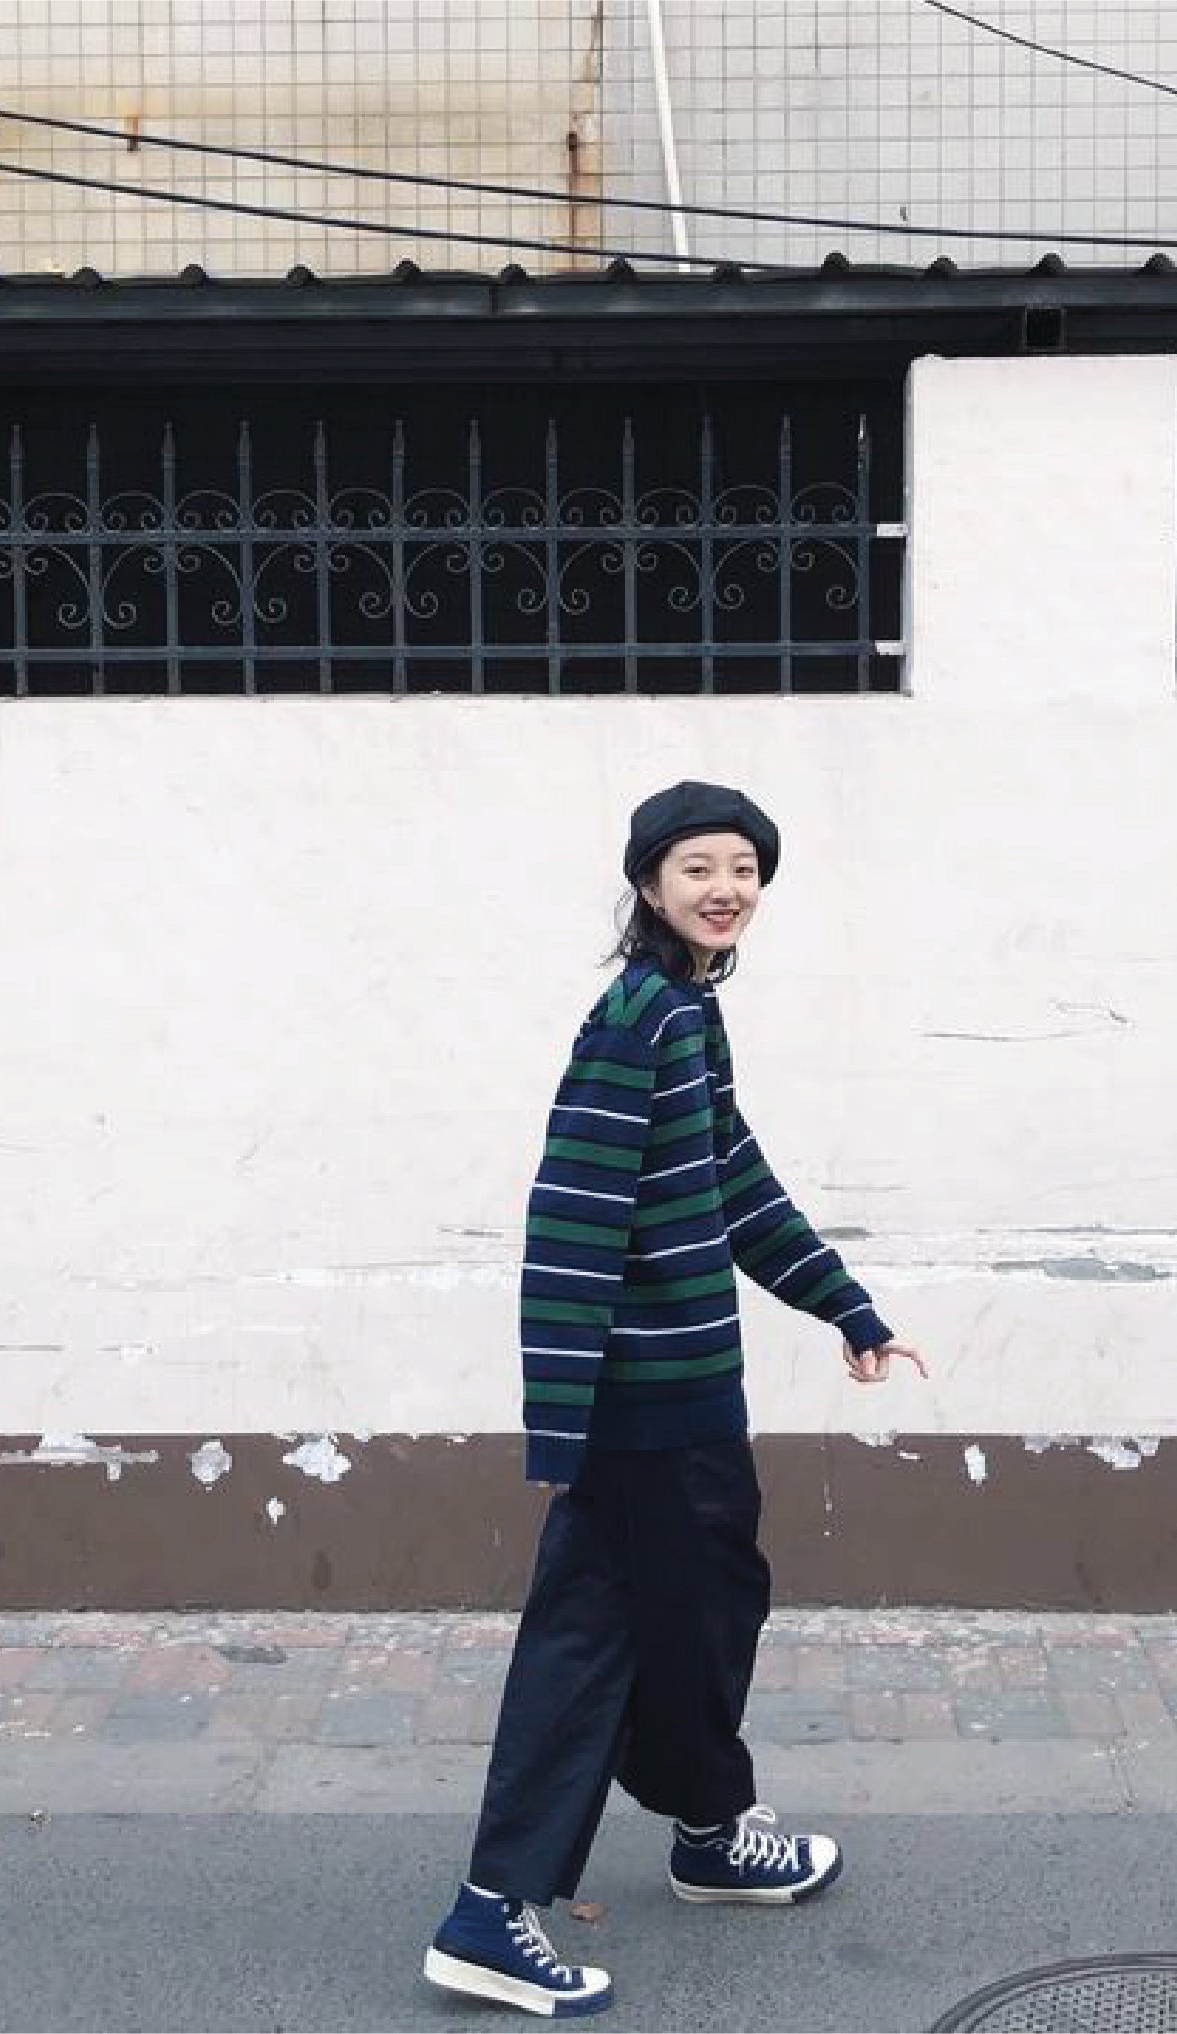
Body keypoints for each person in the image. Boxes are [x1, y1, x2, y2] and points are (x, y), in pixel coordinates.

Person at [423, 780, 927, 2020]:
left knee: (703, 1607)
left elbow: (737, 1185)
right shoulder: (637, 1018)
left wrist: (842, 1304)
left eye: (743, 867)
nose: (724, 888)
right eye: (696, 866)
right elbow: (571, 1219)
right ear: (648, 884)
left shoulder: (687, 1018)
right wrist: (565, 1420)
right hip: (641, 1409)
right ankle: (493, 1911)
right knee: (600, 1638)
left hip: (687, 1393)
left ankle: (706, 1831)